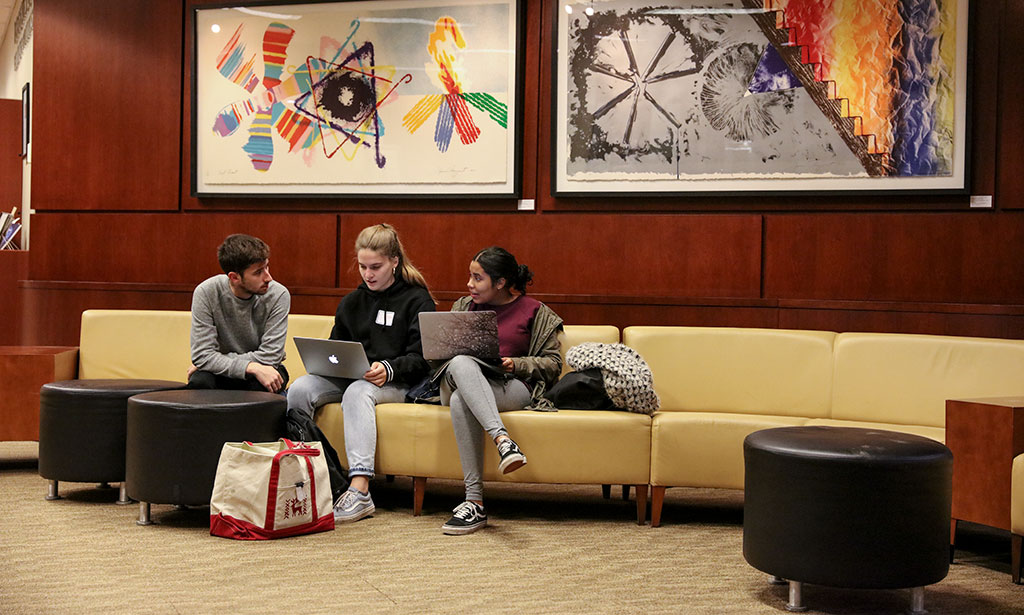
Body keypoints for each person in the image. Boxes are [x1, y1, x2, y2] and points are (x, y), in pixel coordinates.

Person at [287, 223, 435, 523]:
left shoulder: (417, 300)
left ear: (394, 261)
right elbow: (335, 346)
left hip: (395, 382)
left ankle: (360, 489)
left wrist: (389, 368)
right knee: (299, 389)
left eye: (376, 267)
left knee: (358, 391)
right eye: (363, 266)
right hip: (351, 375)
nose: (368, 274)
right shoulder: (353, 301)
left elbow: (424, 358)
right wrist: (327, 361)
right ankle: (311, 475)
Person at [440, 246, 563, 535]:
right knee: (460, 363)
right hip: (456, 379)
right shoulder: (462, 307)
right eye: (469, 276)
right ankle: (502, 439)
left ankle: (474, 502)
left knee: (462, 401)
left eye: (477, 278)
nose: (469, 284)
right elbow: (437, 356)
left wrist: (515, 364)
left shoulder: (535, 311)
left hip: (509, 386)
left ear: (501, 283)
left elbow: (553, 364)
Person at [187, 234, 290, 392]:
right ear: (234, 277)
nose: (268, 277)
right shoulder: (206, 292)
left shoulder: (278, 295)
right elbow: (202, 355)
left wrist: (211, 360)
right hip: (223, 372)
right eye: (258, 272)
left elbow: (270, 356)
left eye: (267, 267)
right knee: (200, 382)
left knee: (268, 382)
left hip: (264, 368)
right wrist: (250, 366)